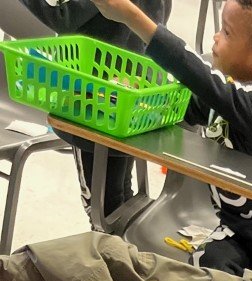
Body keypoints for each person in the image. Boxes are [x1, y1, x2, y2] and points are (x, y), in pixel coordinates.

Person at [89, 0, 252, 281]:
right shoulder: (234, 94)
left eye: (227, 32)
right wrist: (129, 94)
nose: (215, 37)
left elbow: (204, 81)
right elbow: (180, 106)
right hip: (232, 231)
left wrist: (133, 18)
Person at [18, 0, 171, 224]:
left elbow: (62, 17)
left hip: (89, 92)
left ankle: (113, 253)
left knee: (100, 205)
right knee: (120, 192)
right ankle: (122, 251)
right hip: (135, 85)